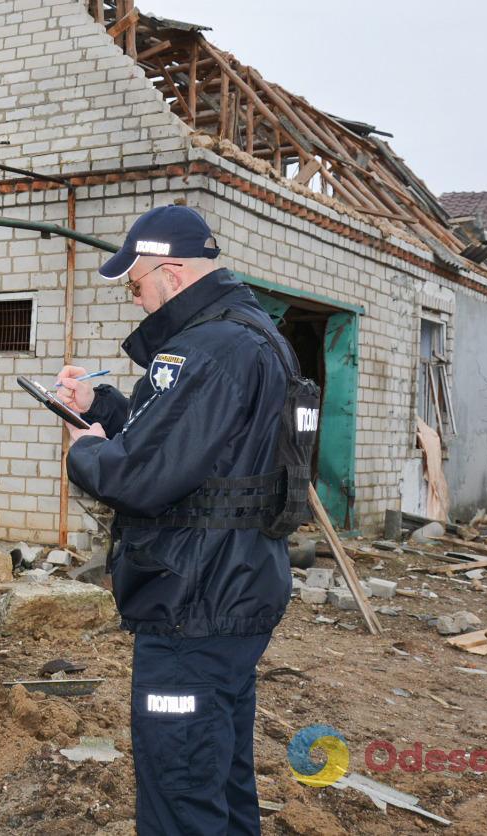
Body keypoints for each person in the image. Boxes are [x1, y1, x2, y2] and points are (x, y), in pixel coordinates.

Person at [57, 205, 293, 835]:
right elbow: (199, 444)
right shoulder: (252, 333)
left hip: (194, 601)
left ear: (171, 271)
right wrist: (103, 404)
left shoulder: (206, 348)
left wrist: (84, 449)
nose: (136, 301)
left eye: (135, 286)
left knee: (180, 793)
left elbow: (139, 477)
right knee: (221, 773)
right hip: (234, 589)